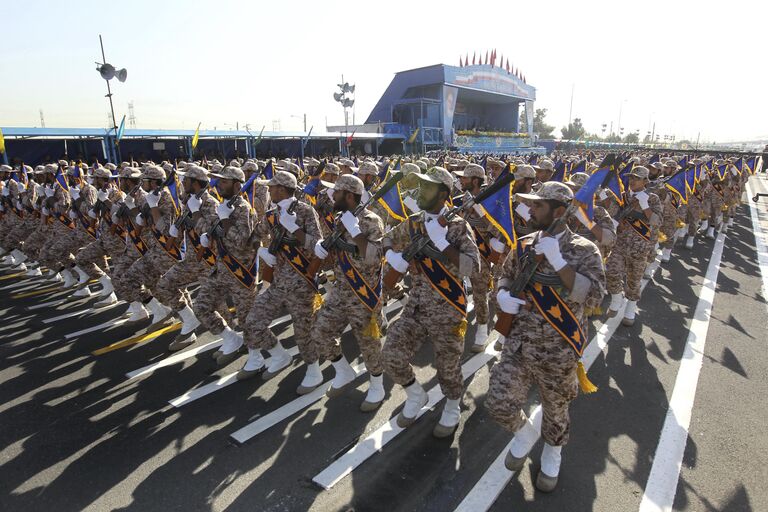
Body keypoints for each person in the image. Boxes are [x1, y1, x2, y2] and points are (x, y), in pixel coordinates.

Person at [486, 181, 606, 492]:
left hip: (558, 348)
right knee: (498, 401)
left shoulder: (584, 250)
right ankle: (525, 434)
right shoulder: (524, 244)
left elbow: (594, 298)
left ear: (559, 212)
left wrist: (560, 263)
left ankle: (553, 452)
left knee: (556, 409)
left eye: (538, 205)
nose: (531, 209)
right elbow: (506, 275)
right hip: (520, 343)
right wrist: (501, 294)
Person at [381, 166, 480, 438]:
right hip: (416, 305)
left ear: (444, 194)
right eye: (421, 186)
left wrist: (443, 244)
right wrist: (392, 256)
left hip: (448, 308)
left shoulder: (458, 227)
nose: (421, 191)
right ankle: (415, 394)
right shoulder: (414, 222)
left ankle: (452, 403)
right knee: (390, 355)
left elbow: (472, 268)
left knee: (447, 367)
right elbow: (387, 238)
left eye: (428, 187)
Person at [240, 170, 325, 395]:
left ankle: (314, 369)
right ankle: (279, 355)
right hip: (277, 282)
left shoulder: (306, 211)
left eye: (273, 187)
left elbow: (318, 246)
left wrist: (295, 229)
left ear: (283, 189)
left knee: (303, 332)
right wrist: (261, 251)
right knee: (253, 322)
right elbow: (254, 236)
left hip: (302, 283)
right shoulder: (271, 214)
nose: (269, 190)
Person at [311, 174, 387, 410]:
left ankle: (377, 385)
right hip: (341, 291)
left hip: (364, 295)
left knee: (369, 344)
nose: (332, 195)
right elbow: (338, 256)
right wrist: (323, 250)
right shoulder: (340, 218)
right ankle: (343, 371)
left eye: (336, 192)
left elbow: (374, 258)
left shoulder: (371, 221)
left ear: (350, 196)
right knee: (320, 332)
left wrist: (355, 232)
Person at [604, 166, 663, 326]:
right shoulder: (622, 197)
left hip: (640, 247)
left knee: (634, 280)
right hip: (620, 244)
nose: (632, 181)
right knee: (611, 271)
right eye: (631, 178)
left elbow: (656, 222)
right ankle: (617, 298)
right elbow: (611, 214)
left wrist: (645, 206)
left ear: (645, 181)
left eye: (636, 178)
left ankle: (631, 308)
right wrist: (603, 194)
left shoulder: (652, 199)